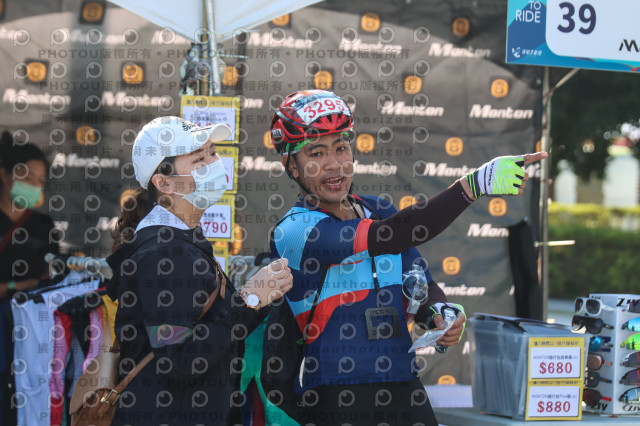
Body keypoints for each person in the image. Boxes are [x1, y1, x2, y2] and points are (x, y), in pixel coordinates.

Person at [268, 90, 548, 425]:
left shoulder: (379, 209)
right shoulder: (294, 229)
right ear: (291, 166)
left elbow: (422, 285)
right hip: (335, 394)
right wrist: (472, 186)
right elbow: (395, 234)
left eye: (341, 147)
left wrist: (439, 314)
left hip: (404, 384)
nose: (334, 163)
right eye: (316, 153)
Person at [106, 117, 293, 426]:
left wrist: (262, 297)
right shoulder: (165, 252)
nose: (214, 164)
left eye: (213, 153)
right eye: (198, 159)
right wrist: (249, 299)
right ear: (164, 183)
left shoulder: (180, 240)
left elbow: (214, 333)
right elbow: (179, 361)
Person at [0, 131, 59, 425]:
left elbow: (52, 275)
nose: (34, 186)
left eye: (40, 181)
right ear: (4, 175)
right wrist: (15, 286)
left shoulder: (43, 226)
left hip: (29, 336)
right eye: (27, 178)